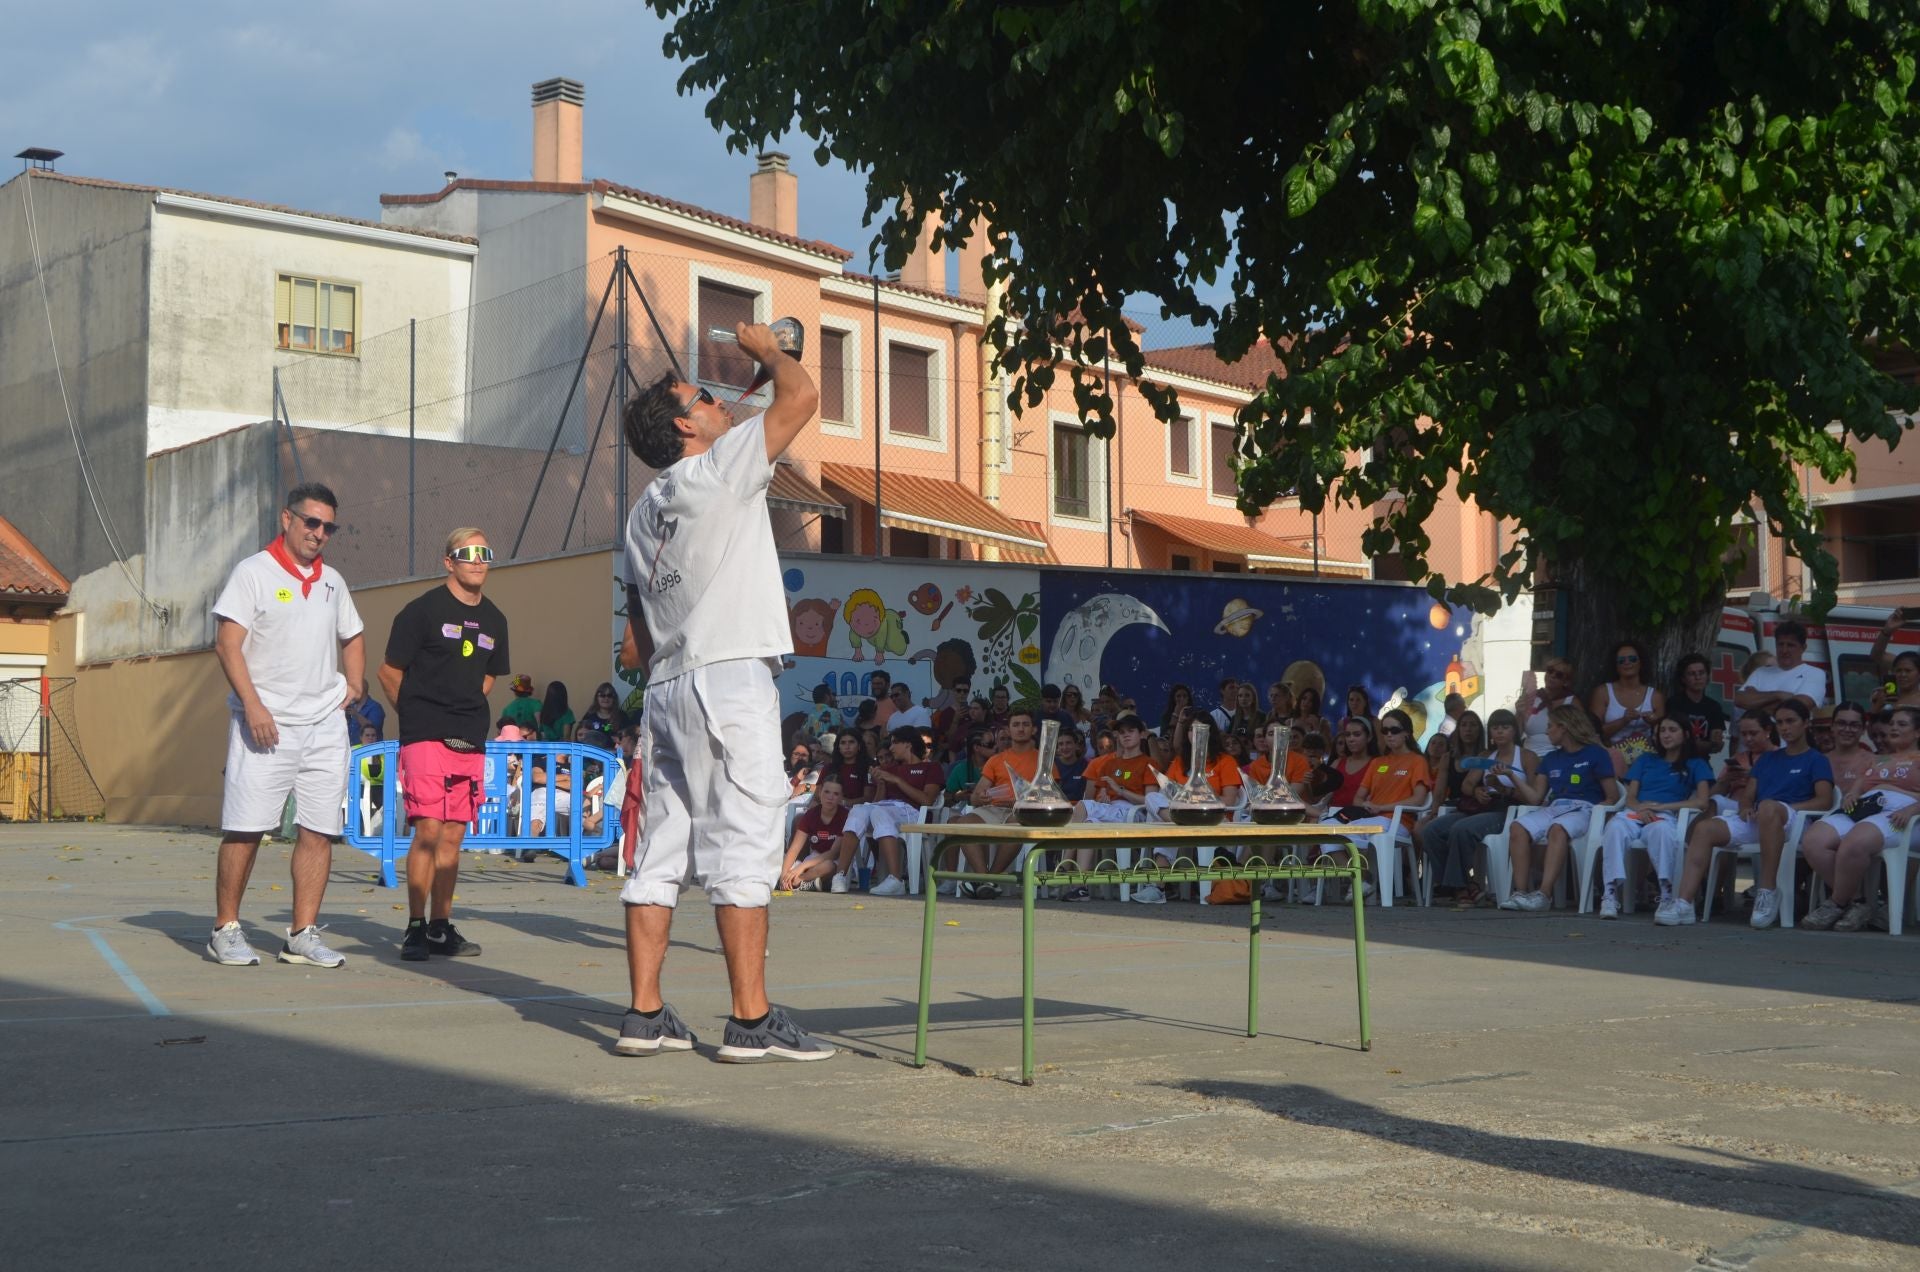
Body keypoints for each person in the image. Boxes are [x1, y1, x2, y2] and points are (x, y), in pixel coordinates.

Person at [613, 323, 833, 1062]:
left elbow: (635, 636)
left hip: (669, 687)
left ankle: (645, 1014)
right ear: (685, 425)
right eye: (703, 396)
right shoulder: (717, 468)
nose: (716, 402)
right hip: (729, 676)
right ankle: (750, 1019)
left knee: (659, 854)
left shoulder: (642, 515)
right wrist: (767, 350)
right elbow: (801, 396)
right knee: (744, 843)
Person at [206, 483, 366, 969]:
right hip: (266, 725)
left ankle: (301, 934)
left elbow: (353, 634)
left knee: (319, 830)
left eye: (328, 526)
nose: (319, 533)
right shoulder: (252, 573)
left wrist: (352, 687)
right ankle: (225, 929)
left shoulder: (333, 581)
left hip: (324, 725)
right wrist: (253, 707)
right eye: (312, 522)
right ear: (287, 519)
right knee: (247, 828)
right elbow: (227, 644)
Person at [378, 527, 510, 960]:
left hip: (470, 736)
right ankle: (415, 926)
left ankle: (440, 926)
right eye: (467, 553)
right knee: (428, 831)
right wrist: (417, 715)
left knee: (454, 837)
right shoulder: (422, 611)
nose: (478, 560)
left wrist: (462, 707)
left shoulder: (495, 619)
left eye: (484, 552)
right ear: (448, 561)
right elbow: (388, 672)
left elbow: (488, 677)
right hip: (425, 736)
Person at [1662, 700, 1832, 928]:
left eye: (1790, 721)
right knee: (1705, 829)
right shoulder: (1769, 759)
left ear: (1806, 724)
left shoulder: (1817, 759)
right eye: (1780, 722)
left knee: (1769, 806)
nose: (1784, 727)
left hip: (1795, 823)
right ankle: (1684, 903)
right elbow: (1748, 795)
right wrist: (1744, 807)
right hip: (1761, 816)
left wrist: (1787, 808)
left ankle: (1767, 891)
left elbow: (1825, 800)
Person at [1798, 704, 1920, 931]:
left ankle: (1836, 903)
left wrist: (1911, 809)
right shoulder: (1879, 759)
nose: (1893, 728)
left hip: (1903, 813)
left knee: (1854, 843)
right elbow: (1861, 784)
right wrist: (1852, 794)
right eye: (1892, 723)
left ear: (1917, 732)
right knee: (1813, 840)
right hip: (1866, 806)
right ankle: (1859, 903)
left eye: (1901, 724)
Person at [1499, 704, 1619, 913]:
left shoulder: (1595, 754)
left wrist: (1598, 814)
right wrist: (1510, 776)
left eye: (1551, 726)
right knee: (1517, 827)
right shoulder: (1551, 758)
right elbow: (1535, 798)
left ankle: (1544, 894)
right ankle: (1520, 892)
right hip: (1555, 807)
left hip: (1585, 808)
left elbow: (1612, 796)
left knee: (1558, 828)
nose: (1547, 731)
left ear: (1564, 728)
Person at [1598, 715, 1712, 919]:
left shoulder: (1696, 764)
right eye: (1662, 731)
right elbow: (1630, 797)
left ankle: (1666, 895)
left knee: (1661, 831)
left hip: (1665, 815)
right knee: (1614, 827)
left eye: (1672, 729)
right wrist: (1641, 808)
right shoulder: (1646, 760)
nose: (1666, 735)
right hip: (1636, 812)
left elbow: (1702, 801)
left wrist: (1662, 806)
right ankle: (1610, 894)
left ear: (1685, 734)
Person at [1422, 709, 1531, 904]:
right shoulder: (1487, 755)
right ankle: (1465, 885)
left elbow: (1534, 797)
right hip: (1480, 807)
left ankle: (1457, 886)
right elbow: (1467, 784)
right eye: (1495, 728)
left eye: (1505, 727)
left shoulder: (1526, 756)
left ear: (1514, 730)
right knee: (1431, 830)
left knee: (1461, 829)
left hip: (1507, 809)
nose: (1499, 732)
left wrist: (1506, 790)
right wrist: (1476, 792)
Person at [943, 707, 1053, 898]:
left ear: (1034, 730)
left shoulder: (1044, 759)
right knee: (963, 823)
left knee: (1015, 824)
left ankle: (989, 879)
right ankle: (987, 879)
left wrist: (1021, 801)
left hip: (1026, 811)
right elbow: (976, 796)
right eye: (1016, 725)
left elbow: (1050, 795)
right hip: (995, 807)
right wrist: (981, 797)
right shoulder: (996, 759)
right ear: (1008, 730)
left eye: (1025, 724)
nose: (1020, 729)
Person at [840, 726, 944, 896]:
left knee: (879, 812)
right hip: (886, 810)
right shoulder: (889, 769)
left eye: (895, 742)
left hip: (915, 814)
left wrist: (896, 781)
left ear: (908, 745)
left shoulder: (931, 767)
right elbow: (876, 803)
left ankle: (896, 879)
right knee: (859, 810)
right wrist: (881, 783)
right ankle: (841, 876)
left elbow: (927, 800)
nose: (890, 748)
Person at [1735, 621, 1826, 719]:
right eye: (1780, 644)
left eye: (1790, 645)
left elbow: (1798, 707)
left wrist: (1755, 702)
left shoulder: (1814, 673)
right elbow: (1739, 699)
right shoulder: (1761, 672)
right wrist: (1778, 695)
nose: (1784, 650)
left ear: (1803, 648)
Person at [1591, 640, 1662, 762]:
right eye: (1621, 661)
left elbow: (1665, 733)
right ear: (1615, 666)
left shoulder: (1655, 696)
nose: (1627, 663)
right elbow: (1593, 733)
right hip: (1610, 757)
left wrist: (1653, 722)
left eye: (1632, 659)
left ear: (1641, 662)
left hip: (1646, 760)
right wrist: (1623, 721)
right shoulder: (1602, 692)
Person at [778, 776, 851, 892]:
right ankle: (801, 883)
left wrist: (801, 869)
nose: (830, 797)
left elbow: (833, 853)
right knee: (780, 860)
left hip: (834, 861)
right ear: (820, 792)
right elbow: (794, 848)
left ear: (841, 797)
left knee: (828, 866)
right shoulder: (811, 814)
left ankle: (799, 881)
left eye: (836, 794)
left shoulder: (846, 816)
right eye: (826, 792)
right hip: (814, 858)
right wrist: (784, 875)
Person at [1668, 653, 1728, 757]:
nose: (1698, 677)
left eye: (1701, 673)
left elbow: (1717, 745)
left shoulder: (1714, 707)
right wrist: (1706, 745)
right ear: (1683, 678)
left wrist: (1695, 744)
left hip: (1702, 762)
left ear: (1707, 676)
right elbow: (1673, 741)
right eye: (1691, 673)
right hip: (1677, 759)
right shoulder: (1674, 703)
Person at [1517, 658, 1577, 757]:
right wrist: (1519, 713)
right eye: (1550, 670)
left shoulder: (1571, 701)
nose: (1552, 675)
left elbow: (1578, 734)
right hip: (1530, 756)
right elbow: (1516, 734)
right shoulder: (1532, 698)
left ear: (1566, 682)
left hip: (1559, 756)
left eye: (1559, 675)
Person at [945, 729, 993, 798]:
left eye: (995, 743)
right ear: (976, 747)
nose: (995, 747)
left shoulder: (1000, 765)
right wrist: (956, 797)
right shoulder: (960, 769)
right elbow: (946, 798)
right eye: (990, 745)